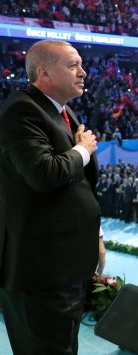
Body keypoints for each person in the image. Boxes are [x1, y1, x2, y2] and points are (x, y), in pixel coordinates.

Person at [0, 40, 100, 354]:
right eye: (73, 65)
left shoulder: (60, 108)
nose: (82, 72)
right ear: (44, 73)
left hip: (62, 263)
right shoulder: (21, 110)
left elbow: (73, 188)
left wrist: (93, 233)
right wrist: (82, 150)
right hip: (41, 271)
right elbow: (44, 174)